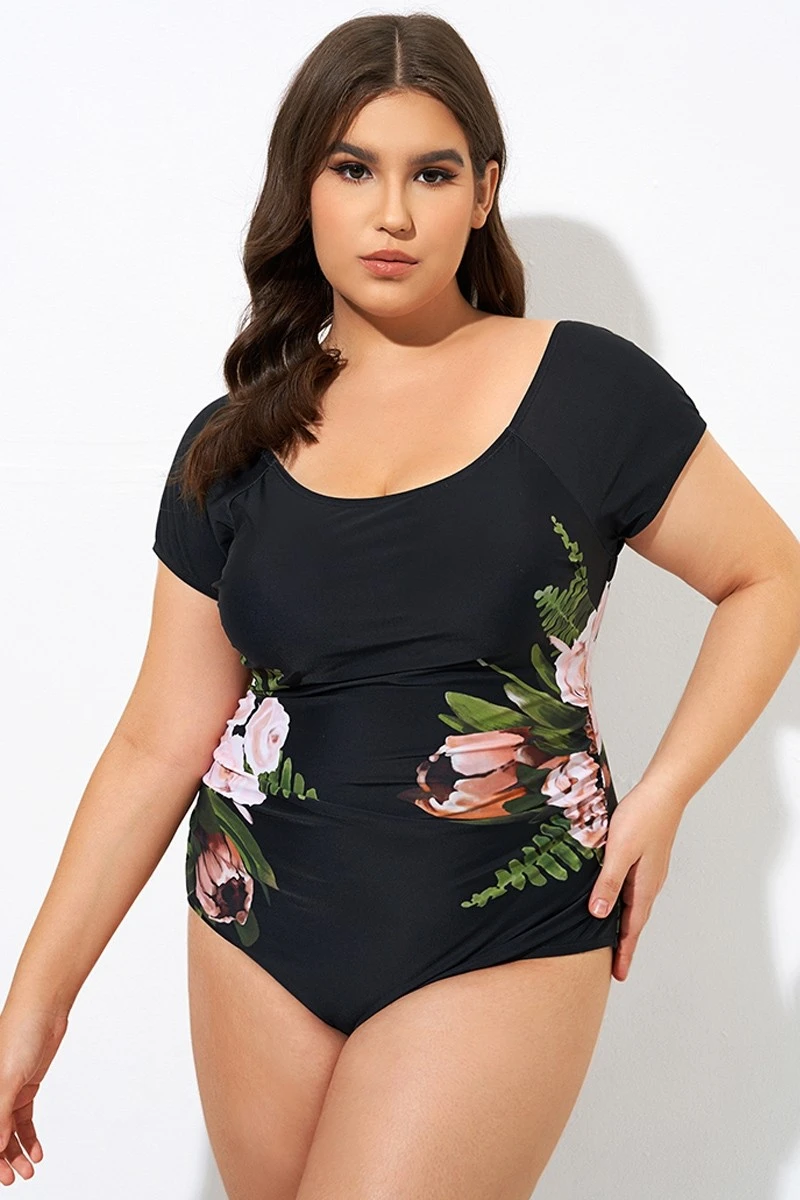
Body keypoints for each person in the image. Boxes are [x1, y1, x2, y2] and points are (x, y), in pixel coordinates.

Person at [2, 12, 800, 1198]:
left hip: (502, 926)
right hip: (258, 929)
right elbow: (155, 742)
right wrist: (35, 1007)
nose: (391, 213)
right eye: (351, 169)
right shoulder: (231, 445)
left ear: (482, 193)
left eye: (429, 173)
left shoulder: (583, 389)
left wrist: (664, 796)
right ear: (302, 189)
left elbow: (767, 575)